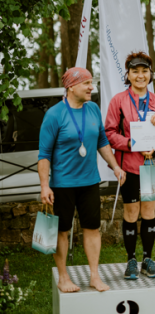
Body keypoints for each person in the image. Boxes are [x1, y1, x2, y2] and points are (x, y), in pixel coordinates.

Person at [38, 67, 126, 293]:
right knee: (62, 231)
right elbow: (44, 155)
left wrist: (115, 166)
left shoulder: (93, 109)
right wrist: (45, 186)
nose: (91, 87)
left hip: (90, 183)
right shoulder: (54, 114)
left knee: (93, 228)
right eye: (86, 83)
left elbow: (102, 141)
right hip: (62, 185)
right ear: (71, 87)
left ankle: (94, 276)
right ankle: (63, 277)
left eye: (91, 83)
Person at [105, 51, 155, 280]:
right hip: (129, 167)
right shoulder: (118, 101)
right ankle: (131, 260)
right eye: (135, 71)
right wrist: (130, 143)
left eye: (144, 71)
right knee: (131, 212)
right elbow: (109, 133)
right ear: (128, 75)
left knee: (149, 211)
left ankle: (147, 259)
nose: (140, 75)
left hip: (152, 164)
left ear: (150, 74)